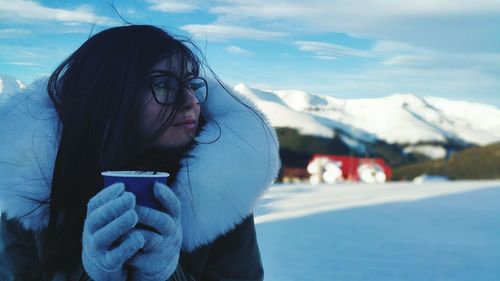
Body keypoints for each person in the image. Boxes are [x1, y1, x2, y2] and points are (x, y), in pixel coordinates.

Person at [0, 25, 280, 281]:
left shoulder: (222, 185)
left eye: (192, 84)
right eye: (163, 85)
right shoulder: (31, 189)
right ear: (108, 97)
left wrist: (167, 276)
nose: (191, 102)